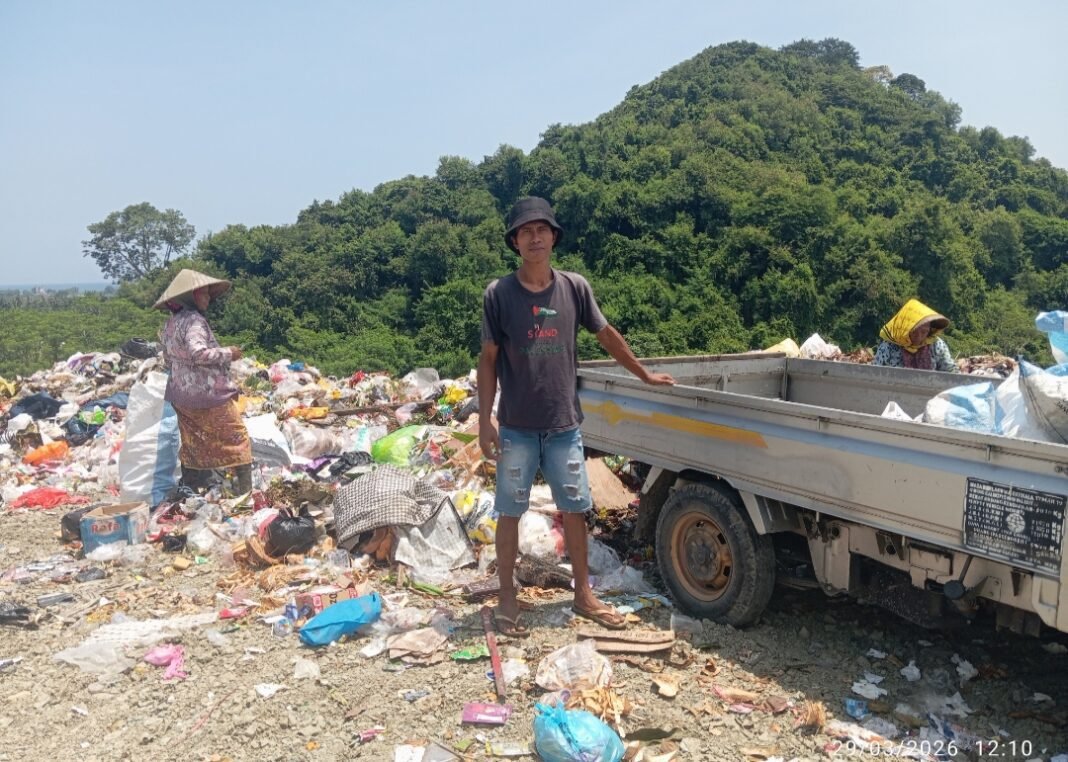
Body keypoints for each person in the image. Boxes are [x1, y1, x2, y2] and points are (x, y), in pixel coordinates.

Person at [478, 196, 676, 636]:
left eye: (541, 230)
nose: (534, 237)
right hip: (516, 427)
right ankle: (507, 594)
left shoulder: (574, 288)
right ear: (515, 242)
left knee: (574, 509)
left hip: (564, 423)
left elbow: (606, 334)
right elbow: (488, 359)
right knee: (509, 511)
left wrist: (643, 373)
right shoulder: (499, 294)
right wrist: (483, 421)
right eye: (525, 231)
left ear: (553, 237)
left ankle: (583, 594)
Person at [154, 269, 253, 493]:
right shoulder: (195, 321)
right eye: (204, 293)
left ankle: (191, 490)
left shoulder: (170, 324)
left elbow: (168, 358)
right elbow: (198, 353)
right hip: (208, 396)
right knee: (237, 438)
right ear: (190, 296)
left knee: (193, 442)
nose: (208, 298)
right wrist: (230, 353)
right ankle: (243, 494)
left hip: (181, 396)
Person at [872, 298, 957, 372]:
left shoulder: (936, 345)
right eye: (914, 332)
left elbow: (951, 372)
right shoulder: (888, 347)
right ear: (905, 329)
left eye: (924, 332)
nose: (919, 337)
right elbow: (874, 374)